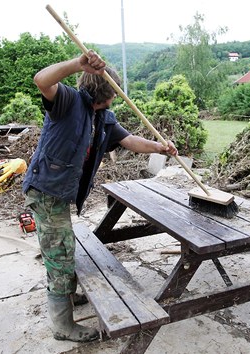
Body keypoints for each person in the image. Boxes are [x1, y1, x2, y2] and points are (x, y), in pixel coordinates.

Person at [22, 51, 178, 342]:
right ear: (105, 93)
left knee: (63, 249)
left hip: (59, 195)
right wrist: (75, 64)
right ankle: (62, 326)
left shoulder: (102, 116)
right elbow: (41, 80)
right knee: (60, 256)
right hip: (46, 191)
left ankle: (66, 294)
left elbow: (130, 141)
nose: (114, 101)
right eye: (114, 95)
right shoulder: (68, 102)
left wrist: (160, 147)